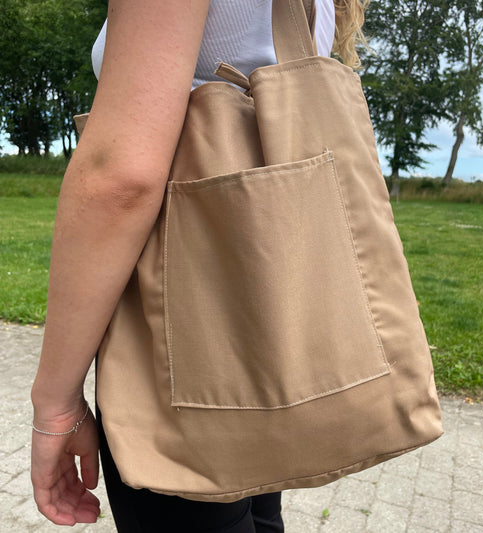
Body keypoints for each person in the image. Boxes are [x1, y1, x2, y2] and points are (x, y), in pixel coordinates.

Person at [30, 0, 369, 530]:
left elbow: (122, 180)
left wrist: (54, 404)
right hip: (263, 306)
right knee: (258, 515)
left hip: (181, 324)